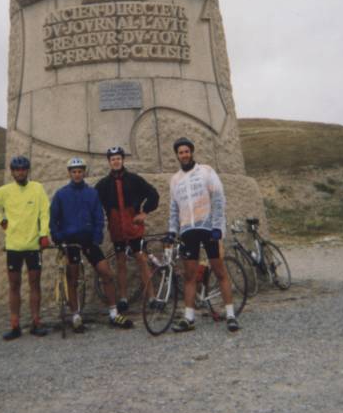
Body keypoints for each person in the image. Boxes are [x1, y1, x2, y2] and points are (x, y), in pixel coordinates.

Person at [50, 157, 133, 333]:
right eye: (74, 172)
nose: (77, 174)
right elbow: (54, 220)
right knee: (72, 278)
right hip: (70, 241)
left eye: (80, 171)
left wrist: (97, 236)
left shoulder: (91, 193)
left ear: (84, 173)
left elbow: (98, 216)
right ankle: (75, 315)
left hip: (89, 240)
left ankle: (113, 312)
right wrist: (58, 238)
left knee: (107, 273)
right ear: (69, 173)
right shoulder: (61, 194)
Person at [167, 137, 240, 333]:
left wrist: (218, 227)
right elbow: (174, 209)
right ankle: (188, 318)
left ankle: (231, 315)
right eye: (180, 152)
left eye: (187, 151)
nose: (184, 155)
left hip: (208, 228)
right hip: (188, 231)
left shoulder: (206, 171)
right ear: (177, 155)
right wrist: (172, 230)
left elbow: (218, 198)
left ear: (192, 152)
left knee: (219, 271)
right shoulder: (175, 180)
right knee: (190, 276)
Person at [0, 155, 50, 341]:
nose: (20, 172)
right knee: (14, 285)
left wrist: (44, 234)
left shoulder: (37, 188)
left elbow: (45, 212)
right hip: (14, 246)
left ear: (28, 170)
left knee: (35, 284)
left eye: (23, 169)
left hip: (34, 245)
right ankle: (15, 325)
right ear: (12, 172)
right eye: (17, 170)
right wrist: (0, 220)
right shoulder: (5, 191)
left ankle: (36, 322)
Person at [95, 145, 159, 313]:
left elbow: (153, 194)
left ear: (122, 160)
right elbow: (93, 204)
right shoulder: (103, 184)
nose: (116, 162)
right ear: (109, 162)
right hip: (116, 228)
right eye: (112, 159)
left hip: (133, 227)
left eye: (118, 159)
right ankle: (123, 298)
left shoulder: (134, 179)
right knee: (121, 262)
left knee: (142, 260)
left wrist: (145, 212)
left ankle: (152, 297)